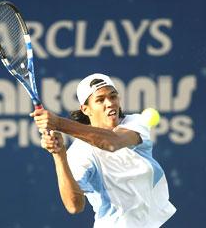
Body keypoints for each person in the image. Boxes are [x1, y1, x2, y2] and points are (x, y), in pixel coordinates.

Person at [30, 73, 176, 228]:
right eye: (100, 100)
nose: (110, 103)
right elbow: (74, 205)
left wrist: (58, 123)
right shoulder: (80, 152)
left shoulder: (135, 123)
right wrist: (59, 155)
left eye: (113, 96)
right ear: (86, 109)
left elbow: (112, 142)